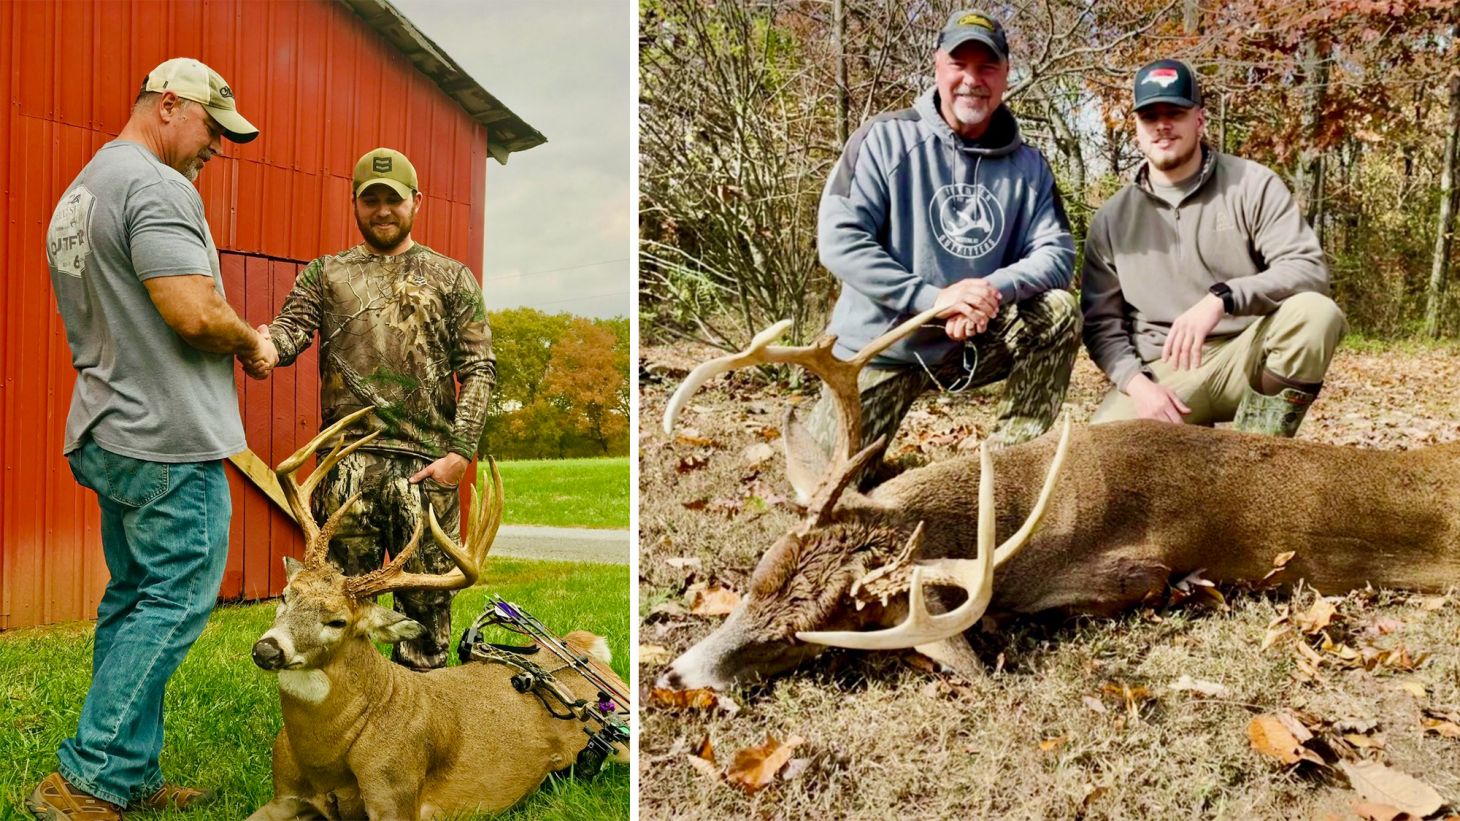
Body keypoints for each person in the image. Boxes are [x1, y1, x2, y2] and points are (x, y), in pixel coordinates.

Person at [30, 58, 270, 819]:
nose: (217, 148)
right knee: (173, 600)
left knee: (134, 597)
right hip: (167, 436)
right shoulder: (159, 186)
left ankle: (127, 772)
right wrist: (252, 342)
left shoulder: (82, 190)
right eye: (212, 129)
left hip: (110, 424)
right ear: (169, 105)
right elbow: (193, 312)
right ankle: (92, 774)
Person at [811, 9, 1078, 473]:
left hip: (971, 345)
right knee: (825, 487)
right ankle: (883, 470)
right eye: (959, 64)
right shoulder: (884, 139)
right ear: (937, 66)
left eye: (987, 67)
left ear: (1006, 76)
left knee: (1058, 312)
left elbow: (1057, 254)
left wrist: (987, 292)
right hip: (883, 347)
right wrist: (935, 300)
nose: (972, 80)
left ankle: (1009, 471)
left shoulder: (1029, 166)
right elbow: (839, 239)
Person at [261, 147, 495, 671]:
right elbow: (290, 330)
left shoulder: (452, 277)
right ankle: (345, 730)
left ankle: (426, 732)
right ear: (355, 205)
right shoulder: (326, 274)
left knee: (426, 620)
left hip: (427, 471)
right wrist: (266, 347)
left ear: (417, 202)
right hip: (347, 472)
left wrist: (459, 455)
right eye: (372, 200)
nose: (383, 210)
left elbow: (480, 369)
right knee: (339, 617)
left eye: (394, 199)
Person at [1081, 59, 1346, 436]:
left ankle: (1257, 453)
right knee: (1099, 456)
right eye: (1149, 116)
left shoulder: (1252, 184)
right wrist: (1138, 385)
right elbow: (1101, 325)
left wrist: (1223, 298)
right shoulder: (1111, 219)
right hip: (1163, 372)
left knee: (1315, 314)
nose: (1162, 125)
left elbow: (1308, 270)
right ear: (1137, 129)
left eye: (1174, 112)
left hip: (1246, 354)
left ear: (1200, 120)